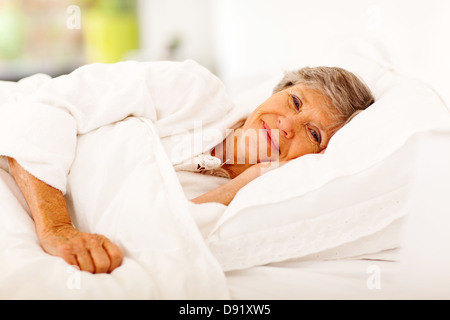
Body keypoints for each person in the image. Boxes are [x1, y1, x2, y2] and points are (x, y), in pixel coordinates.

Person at [6, 64, 374, 274]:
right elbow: (49, 106)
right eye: (295, 101)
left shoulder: (253, 201)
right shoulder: (196, 91)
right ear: (279, 89)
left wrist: (238, 187)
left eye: (312, 132)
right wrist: (56, 227)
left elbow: (157, 242)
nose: (286, 126)